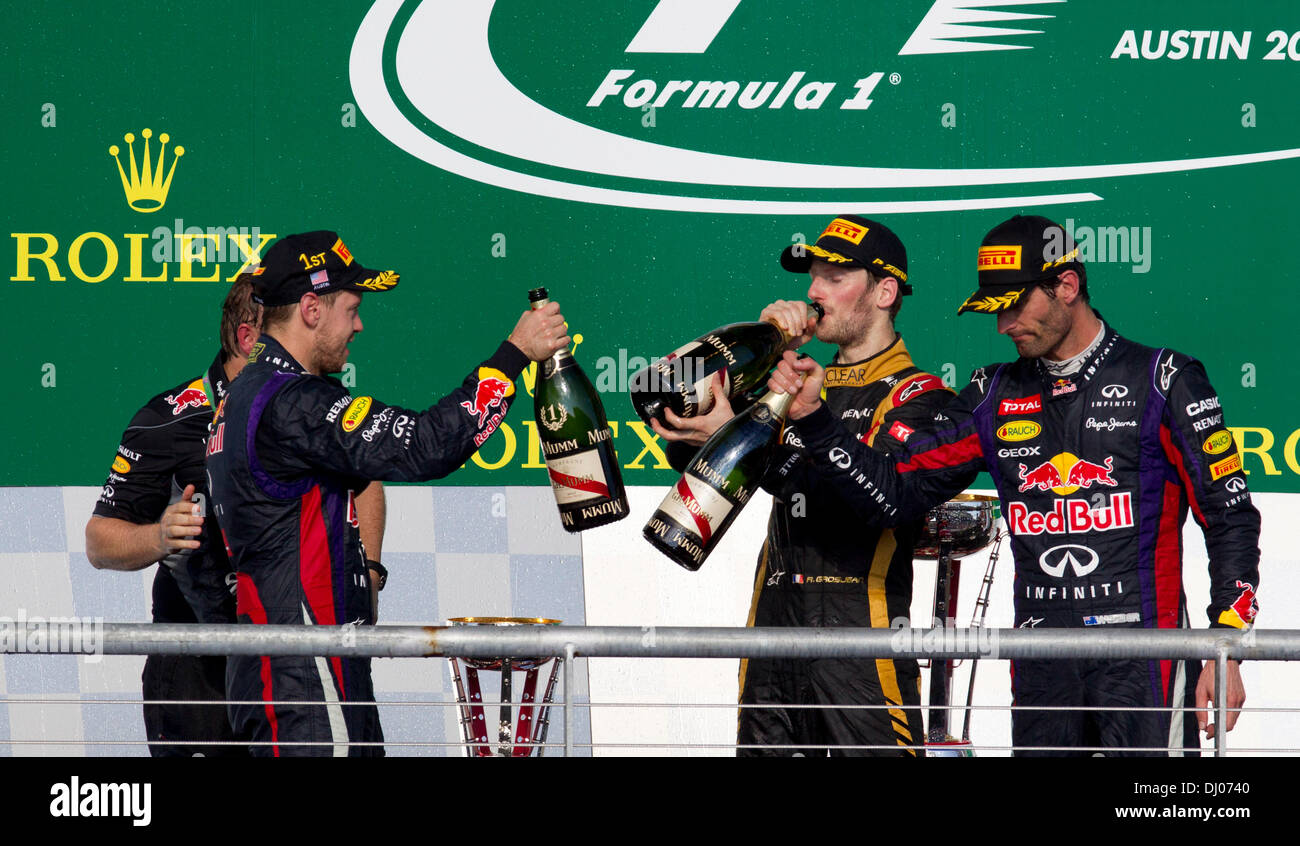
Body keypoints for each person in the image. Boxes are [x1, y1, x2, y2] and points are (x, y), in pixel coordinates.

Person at [766, 213, 1261, 756]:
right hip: (1040, 659)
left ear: (1067, 286)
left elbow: (1230, 515)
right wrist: (813, 418)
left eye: (1015, 305)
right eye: (994, 309)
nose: (1004, 326)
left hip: (1145, 657)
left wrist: (1227, 644)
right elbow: (894, 495)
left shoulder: (1166, 379)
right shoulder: (991, 393)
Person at [205, 230, 569, 756]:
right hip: (308, 679)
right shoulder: (290, 404)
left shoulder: (244, 395)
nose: (359, 324)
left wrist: (365, 575)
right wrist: (514, 356)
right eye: (351, 308)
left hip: (292, 672)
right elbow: (424, 446)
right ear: (311, 308)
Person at [655, 216, 951, 756]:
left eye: (836, 277)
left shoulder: (921, 396)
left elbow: (874, 501)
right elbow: (660, 392)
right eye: (813, 277)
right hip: (771, 634)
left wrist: (785, 424)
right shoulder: (787, 380)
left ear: (885, 292)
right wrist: (761, 346)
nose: (814, 291)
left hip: (863, 645)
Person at [86, 274, 263, 756]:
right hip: (195, 668)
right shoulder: (170, 418)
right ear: (249, 337)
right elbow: (99, 540)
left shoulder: (312, 404)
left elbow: (366, 481)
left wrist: (368, 571)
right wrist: (160, 536)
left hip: (288, 659)